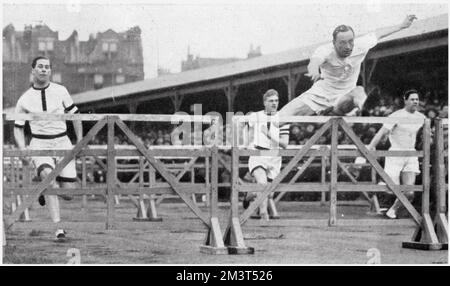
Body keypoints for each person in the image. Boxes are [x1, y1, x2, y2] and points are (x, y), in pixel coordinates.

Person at [277, 15, 417, 134]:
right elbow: (314, 62)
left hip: (345, 96)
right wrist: (314, 71)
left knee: (359, 91)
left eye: (350, 41)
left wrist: (402, 26)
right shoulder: (325, 50)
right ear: (334, 43)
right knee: (280, 118)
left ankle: (366, 111)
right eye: (343, 43)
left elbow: (378, 34)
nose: (348, 47)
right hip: (320, 95)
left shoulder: (360, 45)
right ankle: (259, 141)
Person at [14, 56, 83, 241]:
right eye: (40, 67)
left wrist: (80, 140)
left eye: (47, 67)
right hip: (39, 144)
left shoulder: (61, 91)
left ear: (50, 71)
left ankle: (44, 188)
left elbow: (76, 115)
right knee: (50, 180)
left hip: (62, 142)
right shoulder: (24, 99)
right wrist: (23, 149)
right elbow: (18, 128)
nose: (44, 70)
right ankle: (58, 229)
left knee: (68, 193)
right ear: (33, 71)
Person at [366, 90, 426, 219]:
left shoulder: (421, 117)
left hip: (411, 154)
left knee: (409, 192)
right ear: (405, 100)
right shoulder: (396, 115)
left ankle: (392, 209)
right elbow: (381, 133)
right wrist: (369, 148)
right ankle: (379, 187)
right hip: (395, 153)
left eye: (417, 99)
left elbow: (428, 134)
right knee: (391, 188)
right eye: (412, 99)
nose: (415, 101)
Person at [243, 89, 289, 221]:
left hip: (274, 156)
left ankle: (249, 195)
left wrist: (269, 135)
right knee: (262, 184)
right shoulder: (255, 116)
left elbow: (285, 144)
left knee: (269, 192)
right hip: (258, 154)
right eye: (271, 101)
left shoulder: (282, 118)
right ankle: (264, 214)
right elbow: (245, 128)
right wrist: (247, 144)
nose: (274, 103)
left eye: (276, 100)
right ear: (264, 102)